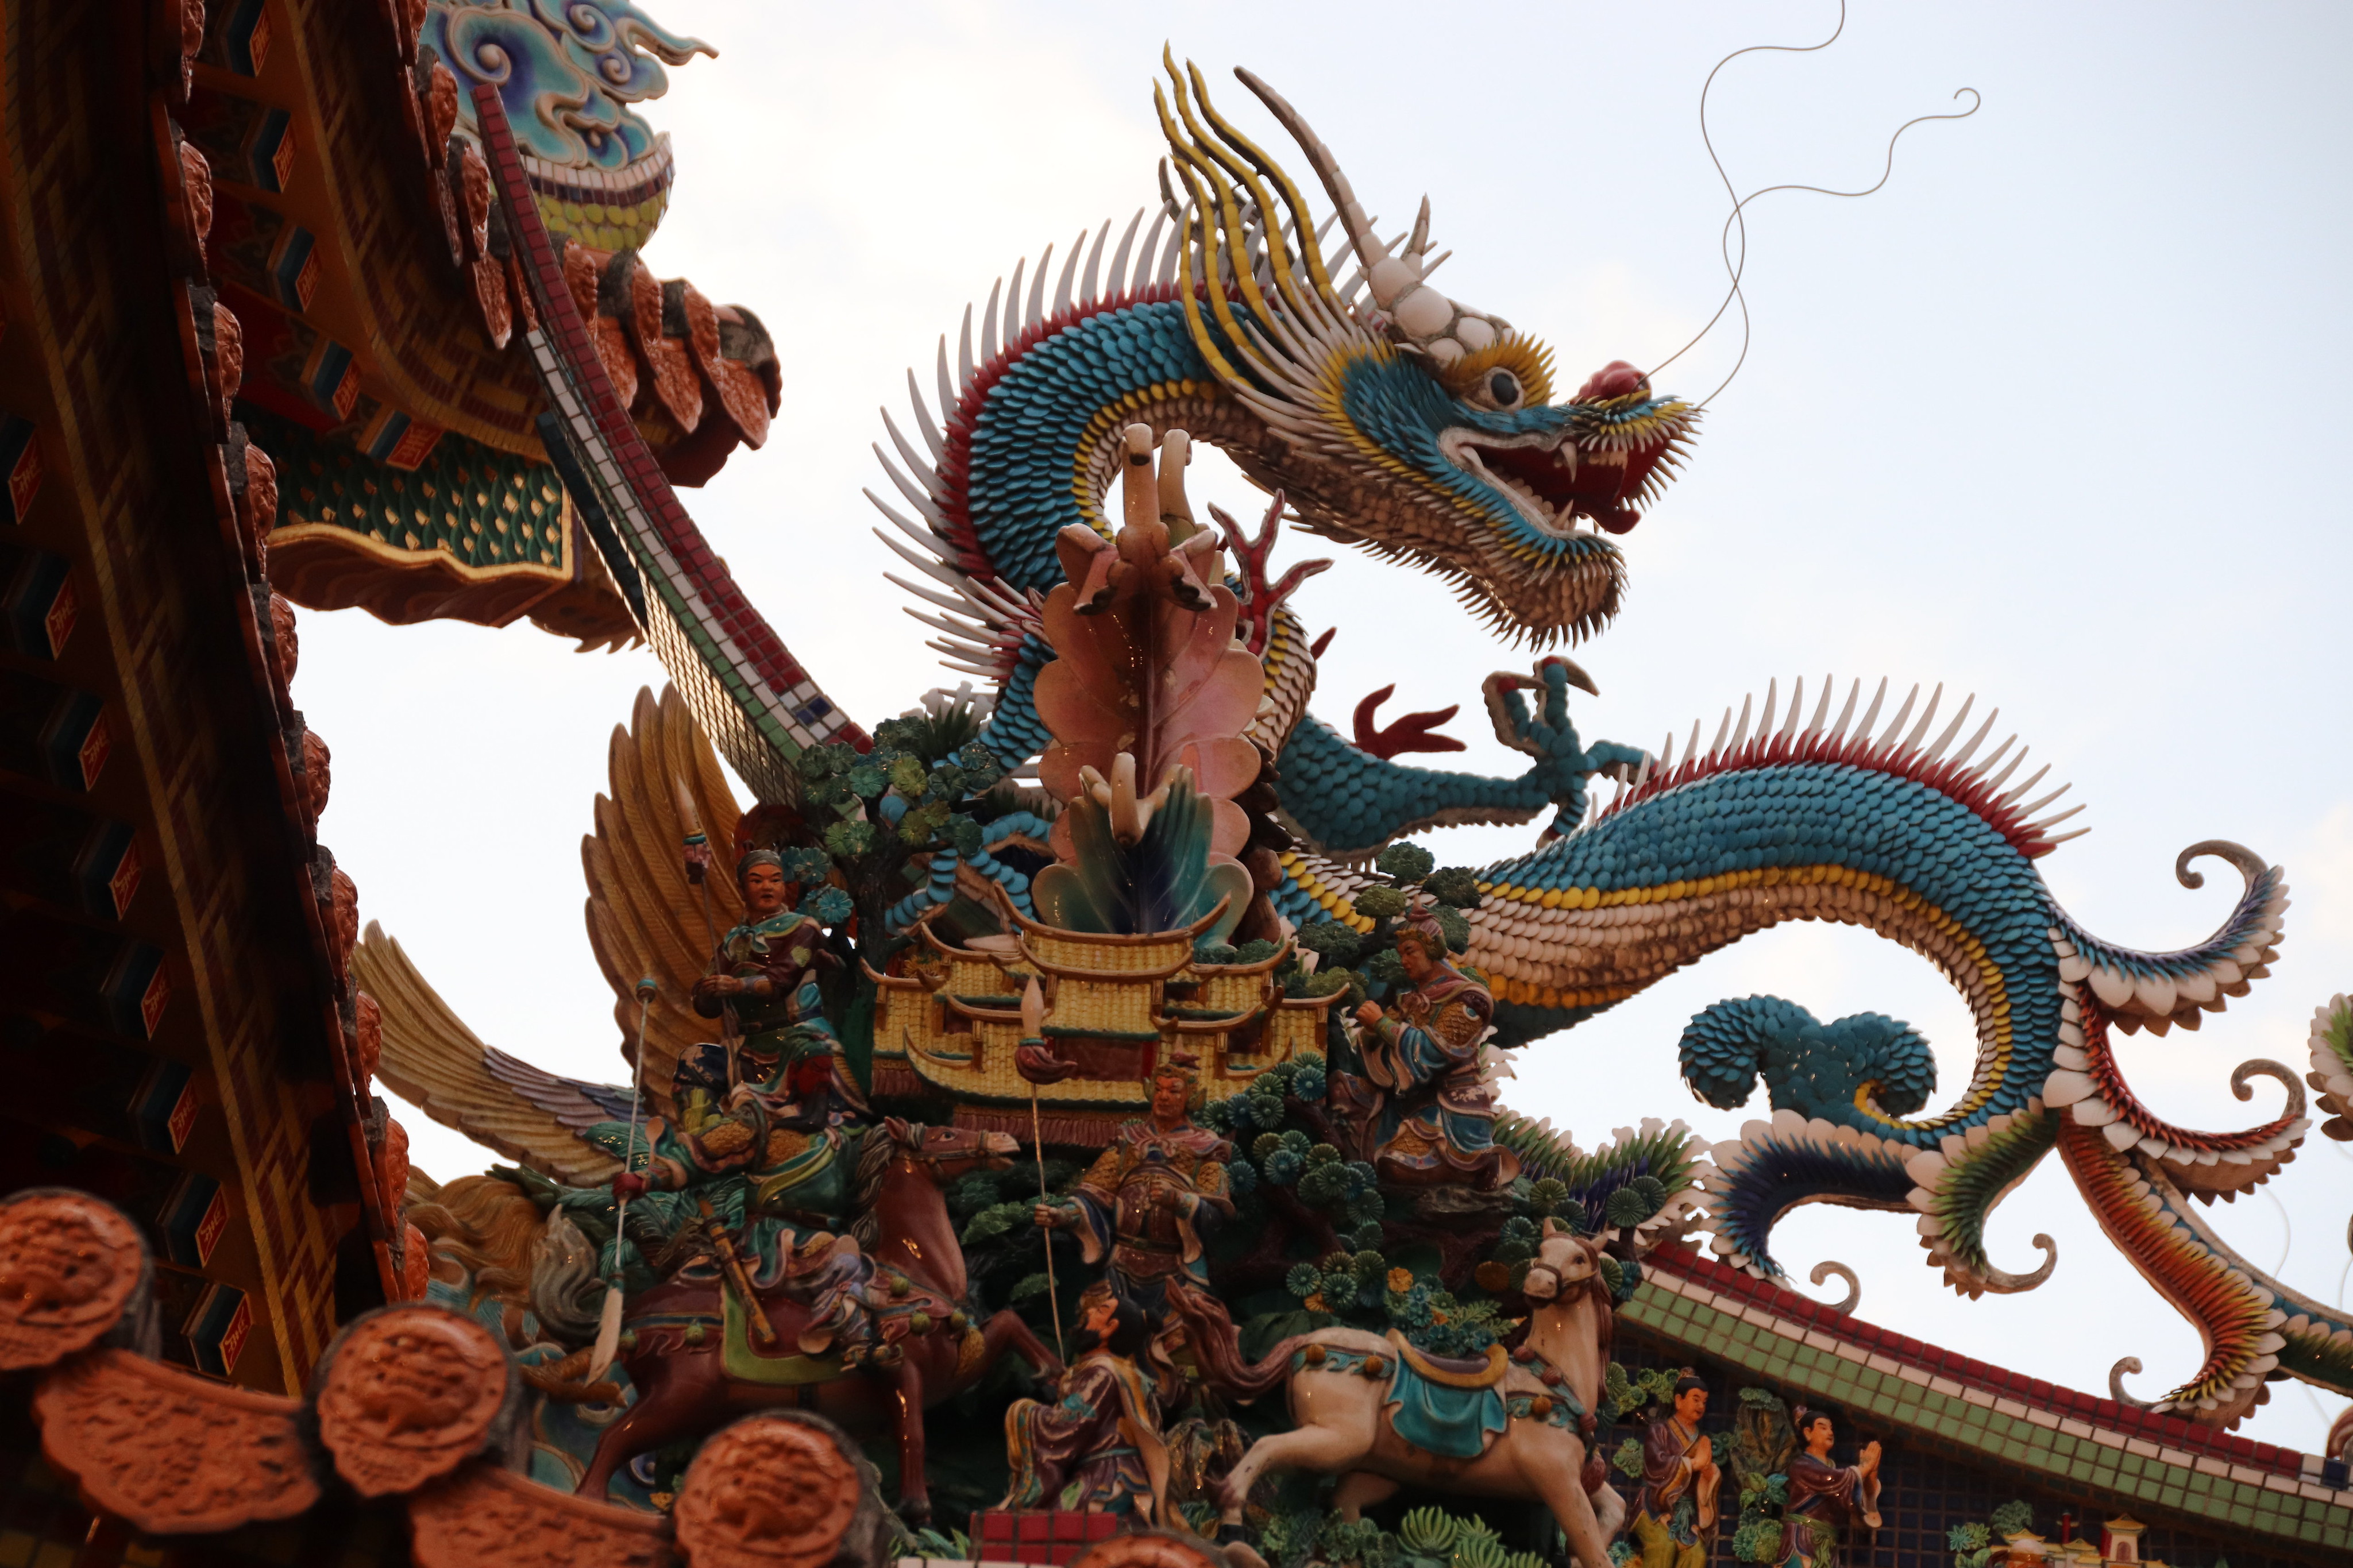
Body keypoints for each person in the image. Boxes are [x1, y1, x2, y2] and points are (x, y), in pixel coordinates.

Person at [596, 849, 887, 1359]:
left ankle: (846, 1166)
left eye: (775, 879)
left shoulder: (801, 927)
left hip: (801, 1040)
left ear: (786, 886)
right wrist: (711, 990)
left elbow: (782, 979)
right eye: (757, 880)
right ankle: (705, 1148)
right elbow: (704, 1000)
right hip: (750, 1052)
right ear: (743, 888)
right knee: (698, 1064)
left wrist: (735, 984)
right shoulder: (732, 939)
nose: (767, 887)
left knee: (838, 1107)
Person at [1035, 1055, 1236, 1401]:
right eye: (1159, 1089)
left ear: (1191, 1097)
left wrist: (1179, 1201)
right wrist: (1063, 1216)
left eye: (1174, 1091)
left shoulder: (1206, 1149)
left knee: (1190, 1335)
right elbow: (1093, 1195)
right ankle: (1093, 1401)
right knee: (1097, 1327)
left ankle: (1176, 1405)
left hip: (1176, 1273)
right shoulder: (1128, 1142)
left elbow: (1216, 1215)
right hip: (1121, 1267)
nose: (1164, 1097)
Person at [1332, 916, 1517, 1188]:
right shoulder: (1409, 1000)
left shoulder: (1468, 999)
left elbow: (1434, 1053)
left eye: (1410, 952)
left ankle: (1472, 1171)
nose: (1404, 961)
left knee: (1395, 1166)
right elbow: (1379, 1048)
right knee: (1340, 1091)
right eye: (1401, 955)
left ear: (1432, 949)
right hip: (1400, 1098)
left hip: (1447, 1106)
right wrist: (1371, 1033)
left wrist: (1381, 1024)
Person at [998, 1283, 1167, 1518]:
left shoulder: (1102, 1374)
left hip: (1105, 1478)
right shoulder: (1123, 1373)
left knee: (1047, 1522)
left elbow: (1064, 1428)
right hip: (1118, 1475)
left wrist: (1024, 1411)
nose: (1089, 1311)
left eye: (1100, 1310)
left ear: (1109, 1328)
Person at [1769, 1408, 1881, 1568]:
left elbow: (1854, 1507)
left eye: (1831, 1428)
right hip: (1803, 1540)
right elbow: (1832, 1479)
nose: (1830, 1433)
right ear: (1808, 1433)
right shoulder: (1801, 1466)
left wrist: (1870, 1475)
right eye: (1823, 1428)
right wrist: (1864, 1468)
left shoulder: (1835, 1473)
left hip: (1827, 1546)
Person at [1632, 1373, 1721, 1568]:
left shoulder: (1701, 1440)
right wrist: (1692, 1464)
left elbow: (1704, 1484)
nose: (1701, 1406)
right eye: (1695, 1400)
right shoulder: (1660, 1431)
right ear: (1679, 1401)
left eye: (1704, 1402)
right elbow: (1656, 1464)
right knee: (1664, 1545)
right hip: (1653, 1507)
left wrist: (1709, 1473)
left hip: (1685, 1515)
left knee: (1696, 1553)